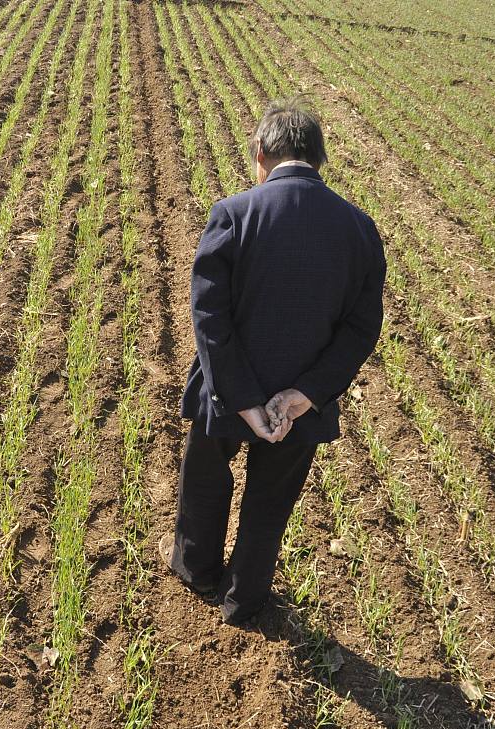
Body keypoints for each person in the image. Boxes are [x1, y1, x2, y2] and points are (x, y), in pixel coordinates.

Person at [159, 96, 387, 627]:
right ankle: (245, 600)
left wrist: (240, 397)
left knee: (206, 478)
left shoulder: (234, 213)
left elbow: (209, 314)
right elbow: (360, 329)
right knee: (271, 501)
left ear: (261, 152)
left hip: (227, 390)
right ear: (320, 159)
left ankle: (197, 571)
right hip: (299, 406)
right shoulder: (359, 230)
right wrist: (304, 394)